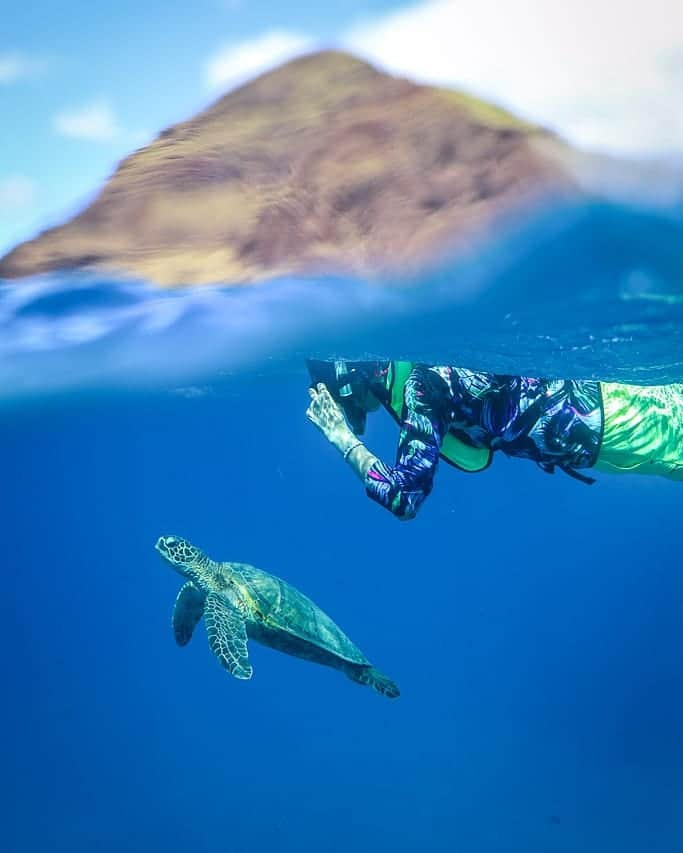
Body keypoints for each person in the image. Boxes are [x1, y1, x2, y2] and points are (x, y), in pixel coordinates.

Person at [305, 359, 683, 520]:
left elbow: (403, 498)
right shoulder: (425, 365)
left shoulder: (422, 388)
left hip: (614, 428)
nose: (362, 413)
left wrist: (340, 438)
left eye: (351, 402)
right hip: (607, 394)